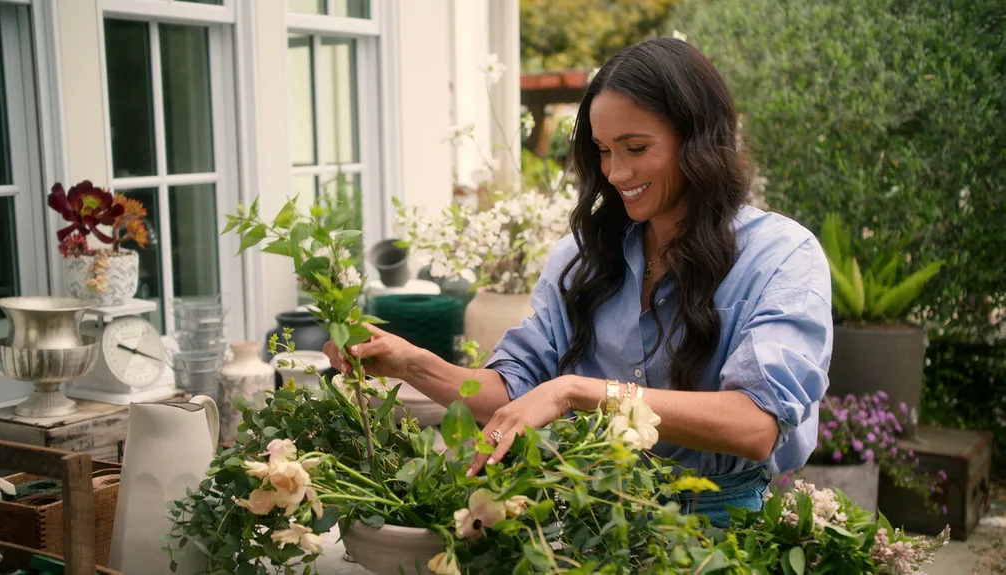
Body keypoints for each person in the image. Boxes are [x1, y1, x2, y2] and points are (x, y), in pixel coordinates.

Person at [324, 37, 832, 529]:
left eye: (635, 147)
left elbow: (755, 425)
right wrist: (410, 362)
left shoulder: (781, 256)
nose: (615, 172)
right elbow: (512, 391)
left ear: (699, 140)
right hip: (591, 524)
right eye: (603, 150)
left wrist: (577, 392)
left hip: (722, 536)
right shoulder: (584, 259)